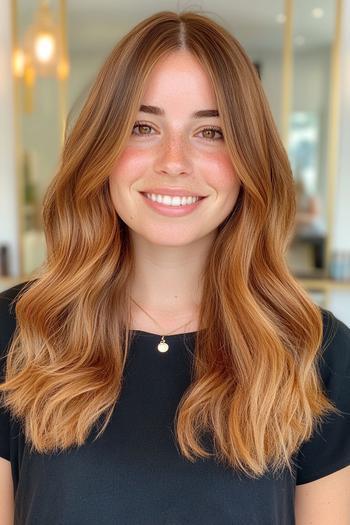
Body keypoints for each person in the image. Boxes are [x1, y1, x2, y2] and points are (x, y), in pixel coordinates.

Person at [1, 10, 350, 525]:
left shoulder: (319, 354)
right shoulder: (17, 332)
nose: (174, 160)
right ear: (101, 147)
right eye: (143, 127)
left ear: (249, 159)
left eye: (211, 132)